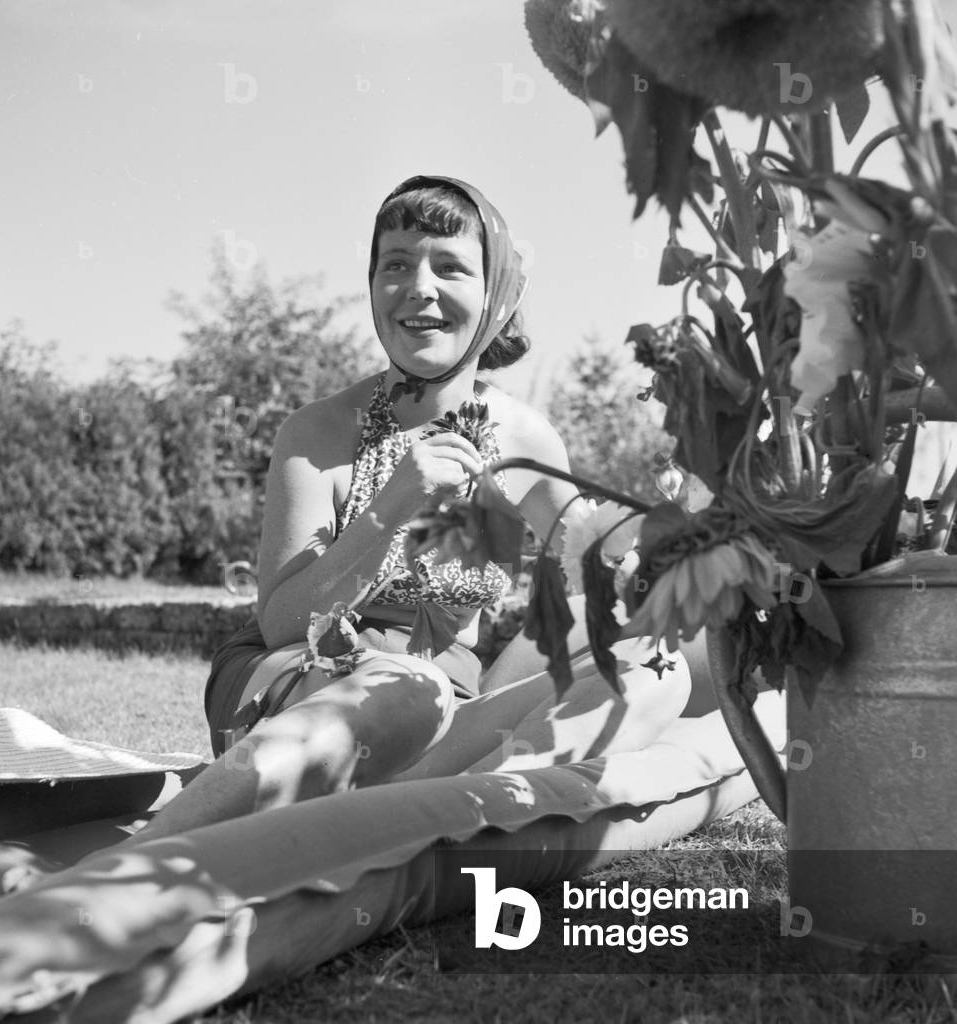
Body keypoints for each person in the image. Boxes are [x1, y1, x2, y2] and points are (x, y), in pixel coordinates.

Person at [118, 174, 699, 846]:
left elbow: (595, 561)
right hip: (301, 693)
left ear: (496, 296)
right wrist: (391, 507)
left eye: (449, 266)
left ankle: (422, 815)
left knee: (654, 671)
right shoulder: (314, 435)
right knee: (407, 686)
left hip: (451, 714)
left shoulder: (526, 438)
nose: (418, 286)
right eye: (395, 264)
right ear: (372, 287)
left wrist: (643, 544)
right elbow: (281, 622)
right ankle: (146, 857)